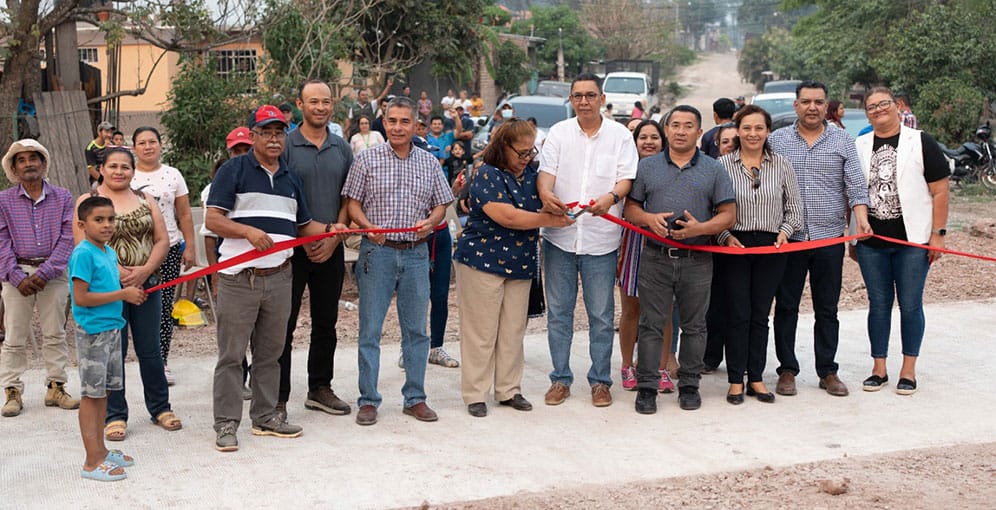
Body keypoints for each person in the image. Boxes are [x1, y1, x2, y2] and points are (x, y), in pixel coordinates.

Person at [206, 104, 334, 452]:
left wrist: (336, 230)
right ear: (254, 136)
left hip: (280, 278)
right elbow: (213, 220)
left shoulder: (291, 178)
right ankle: (226, 424)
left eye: (280, 132)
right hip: (238, 278)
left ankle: (265, 417)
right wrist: (247, 232)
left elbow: (305, 227)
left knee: (270, 353)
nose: (275, 139)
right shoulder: (234, 170)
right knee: (232, 356)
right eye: (267, 132)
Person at [343, 96, 454, 426]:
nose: (398, 127)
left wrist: (432, 222)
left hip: (417, 254)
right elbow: (352, 204)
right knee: (370, 329)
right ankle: (368, 400)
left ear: (415, 125)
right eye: (392, 121)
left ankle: (415, 397)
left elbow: (441, 204)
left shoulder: (429, 162)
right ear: (384, 122)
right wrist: (367, 226)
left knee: (417, 331)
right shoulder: (366, 160)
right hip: (377, 252)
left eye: (405, 122)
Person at [455, 120, 574, 417]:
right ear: (502, 148)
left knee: (512, 331)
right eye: (521, 152)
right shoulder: (487, 175)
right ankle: (476, 394)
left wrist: (556, 207)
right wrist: (549, 220)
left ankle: (509, 390)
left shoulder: (532, 175)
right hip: (482, 262)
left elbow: (544, 203)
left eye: (530, 151)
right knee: (481, 332)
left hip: (520, 263)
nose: (526, 158)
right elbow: (507, 216)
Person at [623, 105, 736, 415]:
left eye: (689, 126)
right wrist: (647, 218)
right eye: (675, 125)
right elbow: (630, 209)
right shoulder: (648, 167)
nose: (681, 131)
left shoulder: (713, 169)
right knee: (651, 324)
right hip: (655, 258)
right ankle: (646, 388)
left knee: (695, 326)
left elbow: (728, 214)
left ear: (699, 132)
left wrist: (701, 228)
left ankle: (689, 385)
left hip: (697, 259)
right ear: (667, 130)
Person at [537, 73, 638, 408]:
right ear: (571, 98)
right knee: (560, 314)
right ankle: (560, 380)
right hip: (559, 239)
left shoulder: (621, 135)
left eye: (590, 95)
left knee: (600, 314)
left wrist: (611, 197)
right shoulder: (559, 134)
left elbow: (626, 179)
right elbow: (545, 176)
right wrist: (546, 196)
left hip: (601, 240)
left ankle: (600, 382)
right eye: (577, 95)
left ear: (602, 98)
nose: (583, 101)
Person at [768, 80, 871, 397]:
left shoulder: (842, 140)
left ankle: (828, 370)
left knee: (827, 309)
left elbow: (855, 186)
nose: (812, 107)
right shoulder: (777, 140)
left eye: (818, 101)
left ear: (827, 106)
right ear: (796, 105)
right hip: (789, 239)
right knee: (786, 307)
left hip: (828, 240)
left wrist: (861, 223)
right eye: (806, 101)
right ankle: (787, 370)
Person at [73, 147, 180, 441]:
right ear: (101, 169)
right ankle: (115, 415)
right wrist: (120, 273)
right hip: (109, 290)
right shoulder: (88, 202)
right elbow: (83, 242)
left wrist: (144, 271)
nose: (119, 171)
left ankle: (160, 407)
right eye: (113, 166)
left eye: (125, 166)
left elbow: (162, 239)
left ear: (134, 171)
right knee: (112, 353)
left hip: (147, 285)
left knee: (151, 349)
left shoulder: (147, 199)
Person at [852, 87, 949, 395]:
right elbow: (853, 193)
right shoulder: (859, 145)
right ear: (866, 113)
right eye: (871, 107)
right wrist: (852, 238)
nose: (878, 110)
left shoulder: (920, 141)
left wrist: (938, 234)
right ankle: (878, 368)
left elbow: (940, 190)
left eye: (884, 104)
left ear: (897, 107)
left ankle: (908, 369)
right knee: (878, 305)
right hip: (871, 242)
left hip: (913, 241)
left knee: (909, 305)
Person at [715, 105, 804, 405]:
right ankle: (735, 379)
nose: (753, 134)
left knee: (759, 315)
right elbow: (711, 209)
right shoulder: (722, 165)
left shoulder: (782, 165)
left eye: (759, 128)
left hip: (771, 246)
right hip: (734, 244)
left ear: (768, 132)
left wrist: (785, 231)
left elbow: (795, 208)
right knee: (738, 312)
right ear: (737, 130)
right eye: (747, 128)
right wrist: (725, 236)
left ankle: (756, 377)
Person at [279, 80, 354, 420]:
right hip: (293, 249)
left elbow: (348, 197)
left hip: (331, 246)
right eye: (313, 101)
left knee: (326, 322)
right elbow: (280, 198)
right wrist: (306, 236)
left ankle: (320, 388)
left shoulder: (341, 147)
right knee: (283, 323)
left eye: (326, 101)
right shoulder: (286, 146)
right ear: (300, 104)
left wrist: (335, 236)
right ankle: (277, 396)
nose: (320, 107)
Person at [69, 195, 147, 481]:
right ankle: (91, 462)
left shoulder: (107, 250)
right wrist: (123, 295)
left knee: (105, 392)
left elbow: (115, 280)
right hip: (93, 333)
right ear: (82, 224)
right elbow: (81, 297)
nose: (107, 225)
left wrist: (131, 286)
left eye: (111, 219)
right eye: (98, 220)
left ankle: (101, 451)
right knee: (92, 395)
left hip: (113, 328)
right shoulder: (83, 253)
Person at [0, 139, 78, 417]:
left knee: (55, 332)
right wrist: (16, 276)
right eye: (21, 160)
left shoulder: (63, 196)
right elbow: (1, 240)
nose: (29, 164)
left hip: (53, 274)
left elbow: (68, 237)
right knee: (14, 335)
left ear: (43, 164)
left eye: (34, 158)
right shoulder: (4, 200)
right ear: (14, 168)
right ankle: (12, 391)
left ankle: (56, 386)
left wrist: (45, 272)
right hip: (15, 274)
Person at [616, 120, 678, 393]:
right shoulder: (625, 170)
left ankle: (660, 368)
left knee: (663, 312)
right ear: (635, 141)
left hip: (663, 243)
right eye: (643, 137)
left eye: (654, 137)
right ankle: (628, 365)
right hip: (633, 243)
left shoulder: (671, 170)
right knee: (631, 309)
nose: (649, 142)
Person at [131, 127, 195, 386]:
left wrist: (190, 246)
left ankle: (162, 361)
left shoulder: (173, 175)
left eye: (152, 142)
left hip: (168, 247)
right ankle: (134, 359)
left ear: (160, 145)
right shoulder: (126, 174)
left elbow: (185, 214)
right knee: (129, 305)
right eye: (142, 143)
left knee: (163, 306)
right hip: (134, 251)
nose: (148, 147)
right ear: (134, 147)